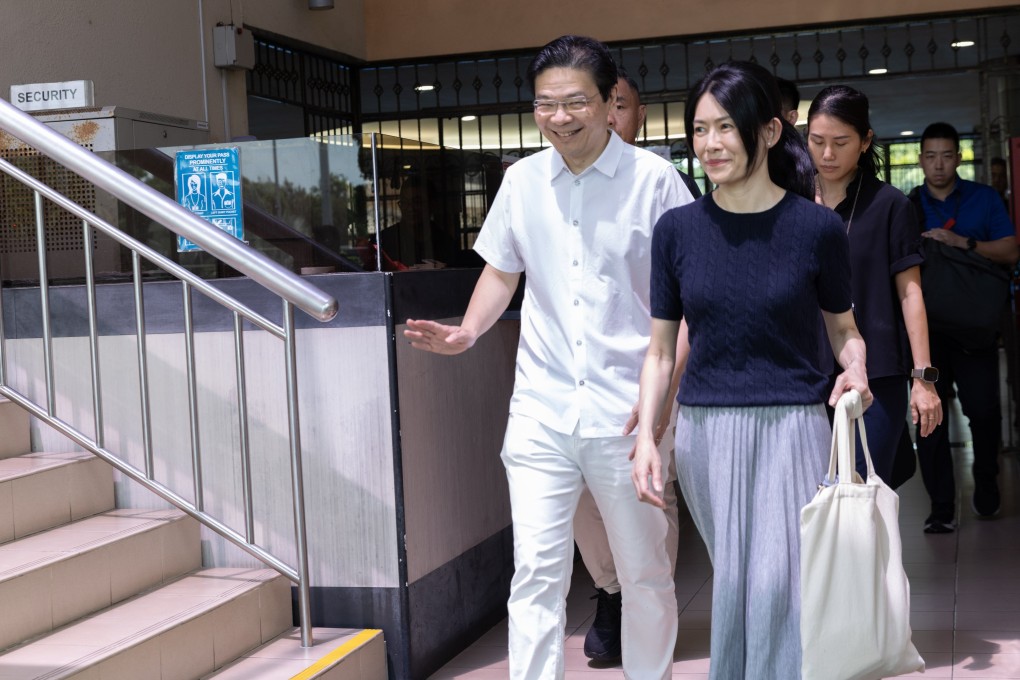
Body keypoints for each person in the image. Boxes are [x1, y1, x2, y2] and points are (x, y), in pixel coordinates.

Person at [404, 35, 694, 679]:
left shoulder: (657, 183)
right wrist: (467, 333)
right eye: (544, 104)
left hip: (628, 413)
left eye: (575, 103)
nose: (558, 118)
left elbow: (686, 309)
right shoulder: (521, 181)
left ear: (610, 102)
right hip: (541, 410)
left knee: (644, 571)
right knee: (535, 570)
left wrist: (659, 413)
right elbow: (502, 273)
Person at [630, 60, 871, 679]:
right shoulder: (677, 231)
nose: (710, 144)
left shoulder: (815, 229)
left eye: (725, 128)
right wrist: (645, 438)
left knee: (775, 583)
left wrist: (858, 369)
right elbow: (661, 349)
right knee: (737, 581)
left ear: (767, 132)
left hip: (794, 425)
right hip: (707, 431)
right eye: (699, 129)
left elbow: (843, 329)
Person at [571, 66, 689, 663]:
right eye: (602, 104)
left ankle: (647, 604)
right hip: (578, 384)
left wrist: (664, 395)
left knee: (649, 494)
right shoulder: (556, 183)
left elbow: (691, 299)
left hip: (649, 372)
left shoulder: (660, 182)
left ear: (638, 117)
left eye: (620, 105)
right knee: (582, 498)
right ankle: (612, 591)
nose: (610, 115)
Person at [806, 85, 942, 484]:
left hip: (878, 372)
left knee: (863, 492)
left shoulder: (889, 205)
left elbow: (910, 293)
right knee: (814, 498)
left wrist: (923, 379)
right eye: (817, 141)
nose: (827, 154)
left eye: (840, 142)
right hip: (806, 374)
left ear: (865, 142)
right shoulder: (791, 202)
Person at [907, 122, 1018, 531]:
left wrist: (962, 244)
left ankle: (986, 485)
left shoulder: (983, 199)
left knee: (984, 412)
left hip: (975, 331)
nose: (938, 164)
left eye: (946, 155)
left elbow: (1010, 250)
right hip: (928, 335)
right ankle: (940, 508)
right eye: (930, 156)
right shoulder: (908, 206)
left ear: (958, 157)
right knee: (928, 418)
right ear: (920, 160)